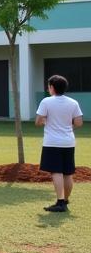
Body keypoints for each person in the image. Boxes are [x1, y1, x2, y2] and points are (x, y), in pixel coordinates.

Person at [37, 74, 83, 213]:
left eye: (48, 86)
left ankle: (60, 202)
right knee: (68, 173)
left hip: (52, 142)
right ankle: (66, 200)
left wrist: (46, 122)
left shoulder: (46, 102)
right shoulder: (73, 102)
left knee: (56, 172)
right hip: (69, 142)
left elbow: (38, 122)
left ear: (52, 87)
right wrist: (66, 127)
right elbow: (79, 123)